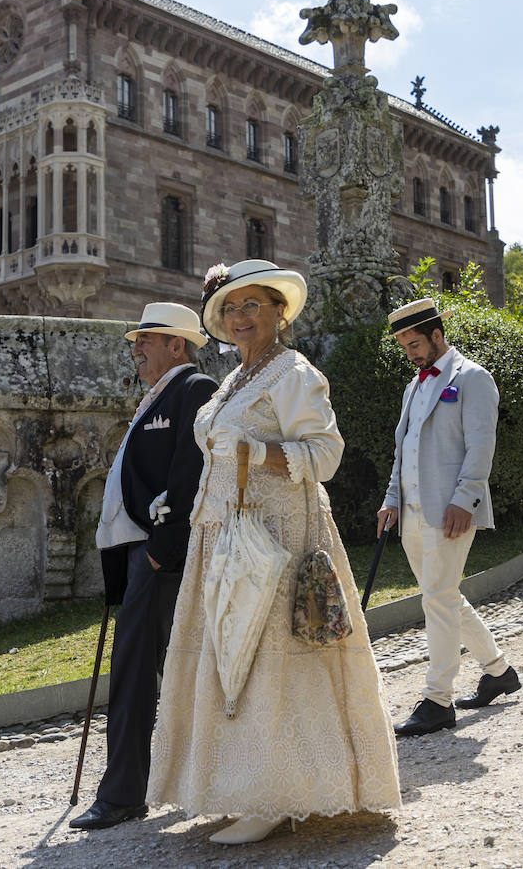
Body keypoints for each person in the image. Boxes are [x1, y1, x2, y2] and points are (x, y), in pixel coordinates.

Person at [147, 259, 400, 845]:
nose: (239, 318)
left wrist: (259, 454)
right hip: (223, 534)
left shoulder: (294, 374)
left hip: (278, 535)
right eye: (230, 309)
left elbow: (326, 455)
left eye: (251, 306)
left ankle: (278, 792)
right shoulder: (235, 379)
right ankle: (238, 784)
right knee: (232, 655)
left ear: (278, 312)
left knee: (272, 653)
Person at [69, 303, 218, 831]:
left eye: (147, 340)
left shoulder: (193, 390)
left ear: (177, 346)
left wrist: (161, 548)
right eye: (136, 340)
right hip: (139, 556)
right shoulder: (155, 396)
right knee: (141, 670)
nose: (136, 348)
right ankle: (141, 785)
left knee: (136, 673)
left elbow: (189, 470)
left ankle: (124, 792)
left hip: (160, 557)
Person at [377, 299, 519, 737]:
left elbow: (481, 446)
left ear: (437, 334)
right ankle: (498, 671)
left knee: (436, 599)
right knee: (445, 596)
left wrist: (466, 499)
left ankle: (437, 699)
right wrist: (392, 499)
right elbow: (404, 450)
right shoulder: (412, 386)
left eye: (415, 343)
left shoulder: (473, 378)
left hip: (451, 511)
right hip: (413, 514)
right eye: (404, 347)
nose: (411, 354)